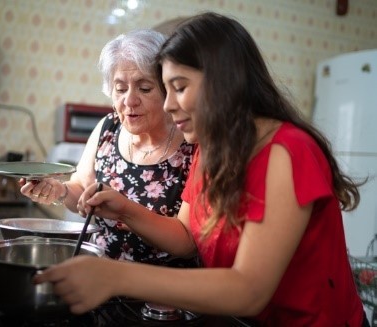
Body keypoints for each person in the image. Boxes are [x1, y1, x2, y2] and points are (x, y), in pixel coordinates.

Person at [32, 12, 369, 326]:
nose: (167, 104)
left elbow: (248, 290)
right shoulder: (212, 149)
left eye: (178, 87)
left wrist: (114, 276)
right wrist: (124, 208)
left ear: (223, 82)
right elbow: (185, 238)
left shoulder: (288, 151)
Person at [20, 29, 198, 267]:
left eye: (144, 89)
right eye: (120, 89)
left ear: (167, 89)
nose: (129, 101)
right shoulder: (108, 128)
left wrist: (126, 210)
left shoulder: (191, 142)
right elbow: (82, 189)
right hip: (101, 279)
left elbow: (187, 243)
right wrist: (59, 190)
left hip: (162, 292)